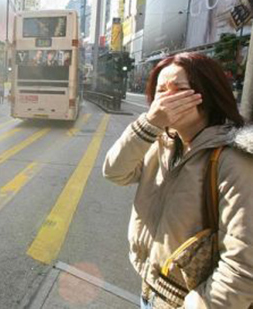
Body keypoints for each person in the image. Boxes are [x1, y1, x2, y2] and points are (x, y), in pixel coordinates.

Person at [102, 53, 253, 308]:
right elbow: (115, 171)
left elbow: (241, 267)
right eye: (160, 91)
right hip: (149, 290)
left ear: (208, 94)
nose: (166, 100)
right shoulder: (159, 143)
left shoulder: (234, 160)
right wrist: (150, 124)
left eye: (179, 90)